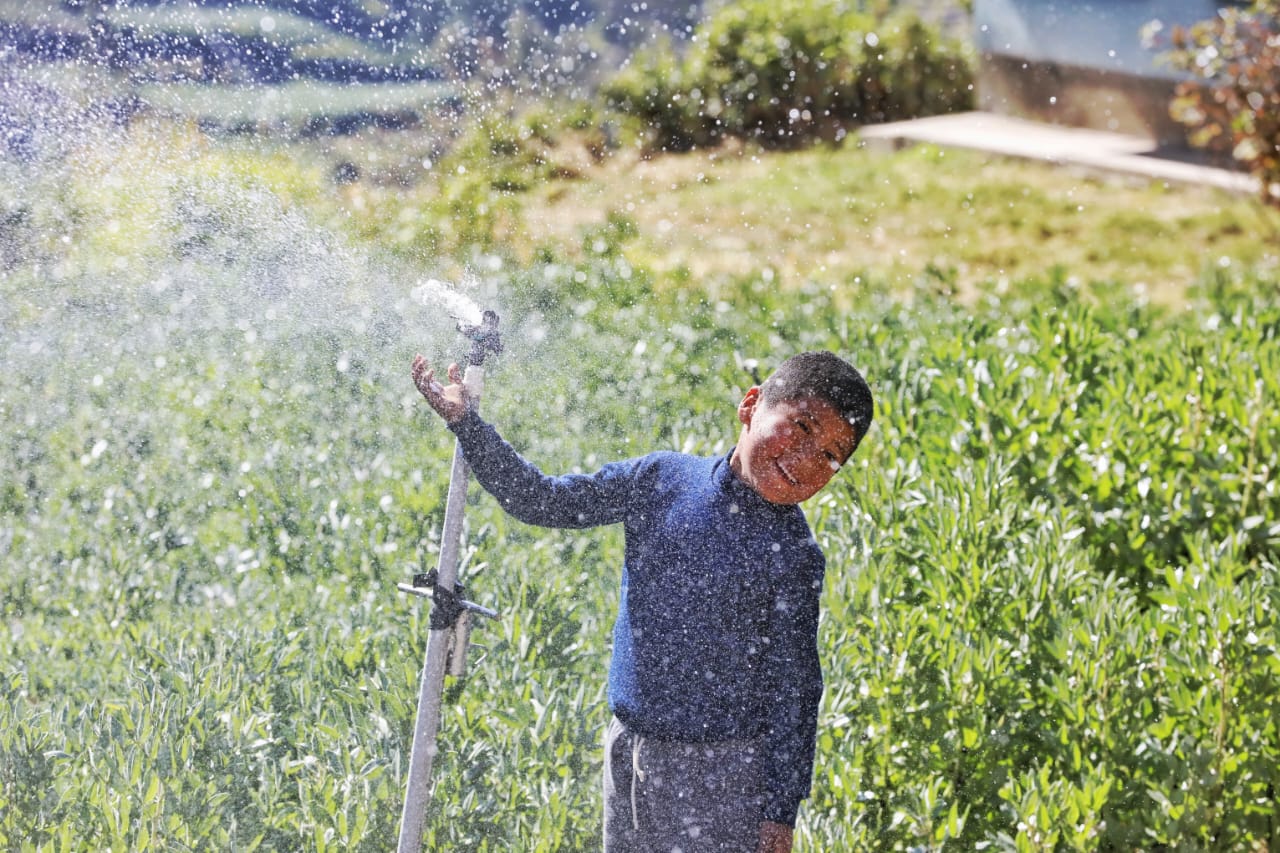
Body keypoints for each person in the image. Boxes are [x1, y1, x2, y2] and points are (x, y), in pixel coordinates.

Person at [411, 350, 873, 853]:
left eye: (832, 456)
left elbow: (796, 688)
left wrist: (779, 814)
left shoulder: (793, 555)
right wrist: (467, 425)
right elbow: (541, 500)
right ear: (750, 405)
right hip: (628, 753)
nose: (808, 460)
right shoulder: (660, 481)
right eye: (802, 428)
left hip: (722, 781)